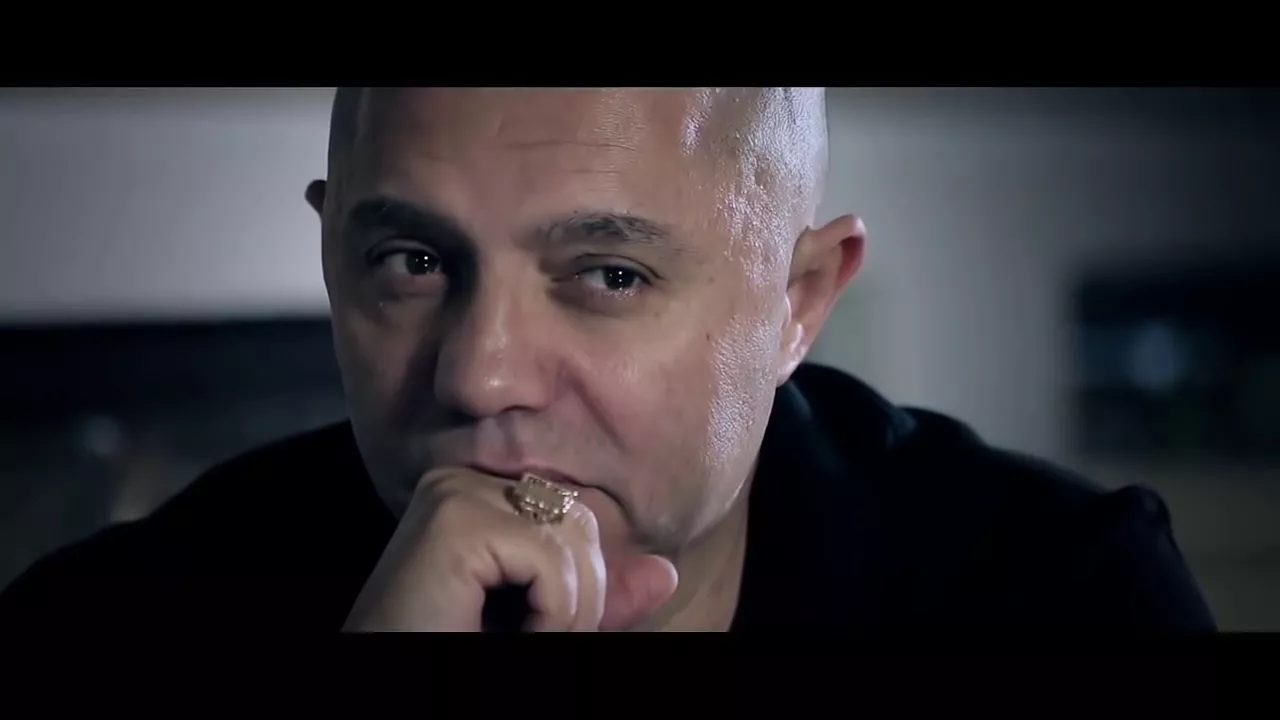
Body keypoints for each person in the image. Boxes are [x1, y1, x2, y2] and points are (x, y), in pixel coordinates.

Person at [0, 88, 1215, 631]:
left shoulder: (1059, 600)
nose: (477, 377)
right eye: (411, 262)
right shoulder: (106, 623)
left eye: (609, 275)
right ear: (331, 256)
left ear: (796, 302)